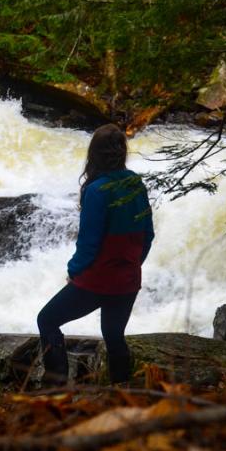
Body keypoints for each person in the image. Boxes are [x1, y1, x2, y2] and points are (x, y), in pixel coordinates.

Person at [36, 123, 154, 385]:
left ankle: (55, 385)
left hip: (98, 280)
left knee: (47, 320)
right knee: (113, 336)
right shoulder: (136, 183)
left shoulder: (97, 190)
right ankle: (121, 393)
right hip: (127, 279)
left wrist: (74, 272)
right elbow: (148, 235)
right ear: (122, 152)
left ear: (94, 154)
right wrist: (133, 265)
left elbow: (89, 243)